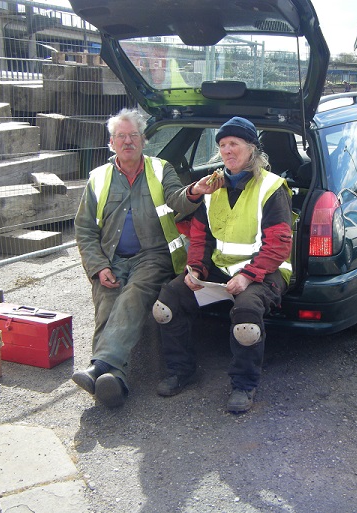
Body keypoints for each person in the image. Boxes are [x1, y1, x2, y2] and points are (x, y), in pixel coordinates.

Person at [72, 108, 218, 408]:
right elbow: (84, 229)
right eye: (121, 137)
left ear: (143, 141)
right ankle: (113, 380)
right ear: (111, 143)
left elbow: (177, 197)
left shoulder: (160, 168)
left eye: (134, 136)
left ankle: (99, 366)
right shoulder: (98, 179)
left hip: (153, 256)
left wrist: (194, 191)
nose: (128, 142)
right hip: (111, 259)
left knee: (133, 295)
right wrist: (98, 267)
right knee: (107, 303)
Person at [151, 117, 293, 413]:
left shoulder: (271, 187)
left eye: (234, 144)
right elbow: (201, 236)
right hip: (220, 268)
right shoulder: (213, 185)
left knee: (246, 318)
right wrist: (195, 269)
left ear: (251, 148)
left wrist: (247, 277)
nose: (228, 150)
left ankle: (244, 385)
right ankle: (181, 371)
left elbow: (278, 244)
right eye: (223, 144)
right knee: (167, 303)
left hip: (265, 270)